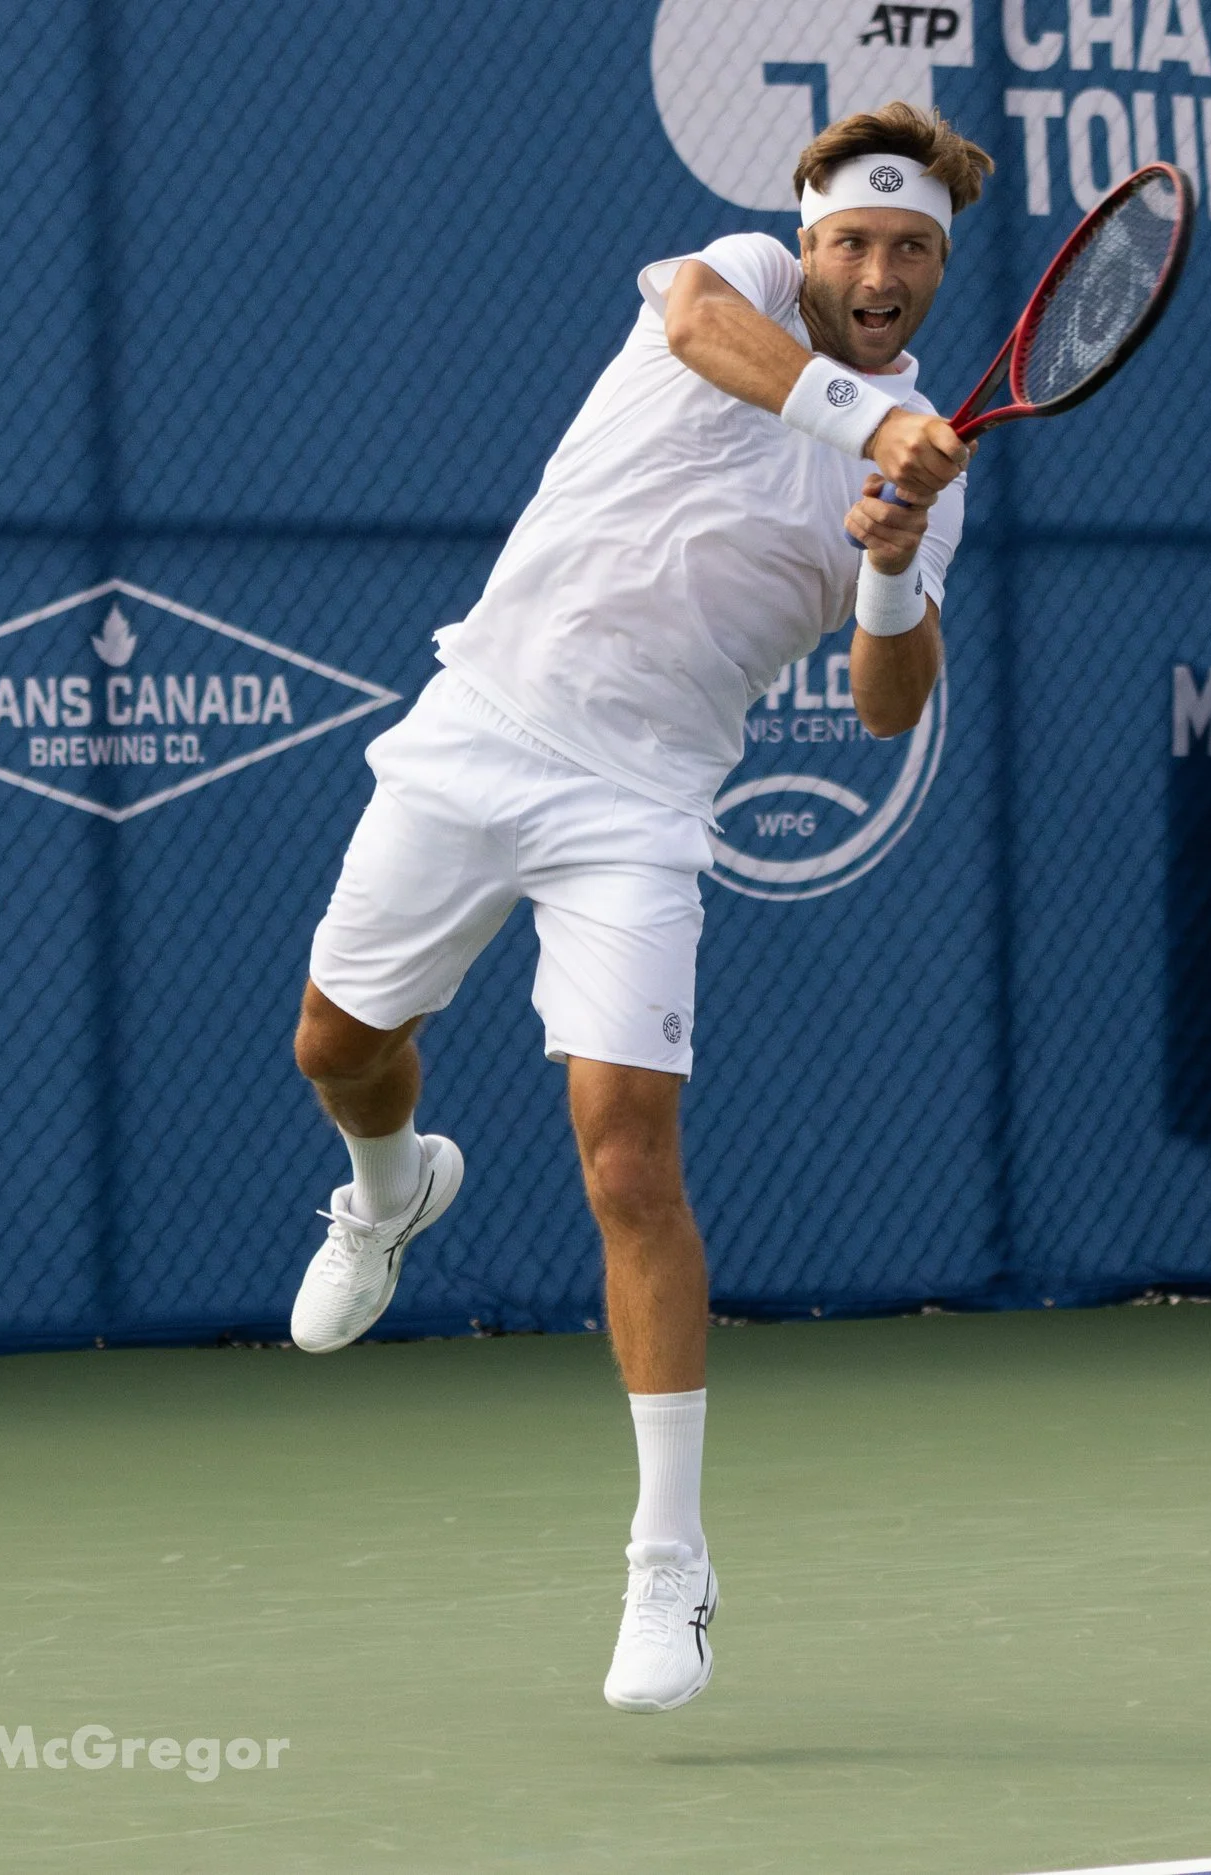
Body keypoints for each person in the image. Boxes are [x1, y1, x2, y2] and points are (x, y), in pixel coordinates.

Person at [284, 102, 988, 1713]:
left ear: (941, 268)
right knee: (337, 1041)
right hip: (481, 726)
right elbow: (695, 322)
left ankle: (669, 1556)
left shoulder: (930, 458)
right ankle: (387, 1187)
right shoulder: (734, 276)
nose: (876, 272)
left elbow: (887, 704)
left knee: (628, 1153)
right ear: (807, 241)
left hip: (647, 804)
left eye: (910, 251)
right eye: (853, 241)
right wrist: (853, 429)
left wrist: (887, 556)